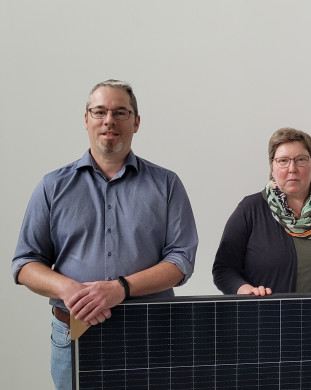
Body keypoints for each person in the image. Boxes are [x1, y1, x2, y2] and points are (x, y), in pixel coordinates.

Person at [12, 80, 199, 390]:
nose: (109, 120)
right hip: (74, 334)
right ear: (86, 119)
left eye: (120, 112)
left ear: (136, 122)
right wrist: (70, 289)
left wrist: (121, 288)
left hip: (150, 336)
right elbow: (25, 263)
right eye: (99, 111)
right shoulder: (51, 186)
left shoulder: (167, 184)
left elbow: (181, 260)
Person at [213, 127, 311, 295]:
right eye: (283, 161)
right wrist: (245, 290)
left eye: (301, 159)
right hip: (266, 317)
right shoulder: (250, 209)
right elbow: (223, 269)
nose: (292, 168)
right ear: (272, 167)